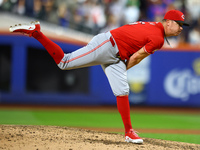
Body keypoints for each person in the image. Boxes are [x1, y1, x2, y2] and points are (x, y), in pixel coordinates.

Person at [9, 9, 189, 144]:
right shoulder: (157, 38)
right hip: (107, 46)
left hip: (116, 55)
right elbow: (137, 57)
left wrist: (120, 69)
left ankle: (129, 132)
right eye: (179, 24)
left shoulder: (153, 27)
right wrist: (123, 69)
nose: (181, 28)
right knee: (64, 62)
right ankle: (37, 32)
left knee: (122, 90)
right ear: (168, 22)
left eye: (183, 25)